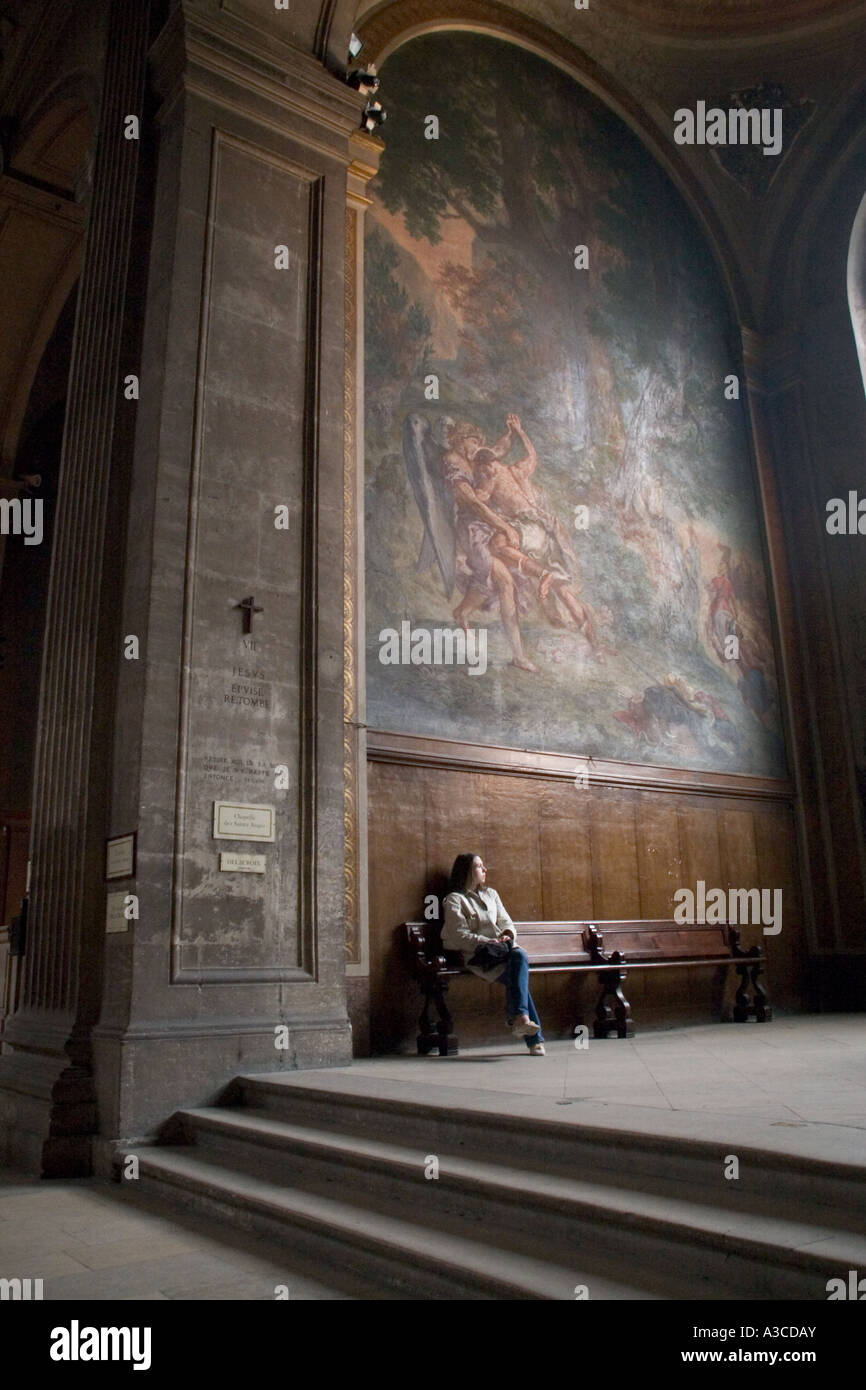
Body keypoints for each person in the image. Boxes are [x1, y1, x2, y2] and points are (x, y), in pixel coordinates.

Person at [441, 852, 546, 1055]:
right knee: (518, 979)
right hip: (480, 956)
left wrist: (507, 935)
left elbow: (506, 921)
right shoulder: (454, 900)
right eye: (479, 866)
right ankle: (531, 1036)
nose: (485, 869)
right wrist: (487, 941)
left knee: (520, 957)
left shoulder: (491, 894)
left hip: (502, 951)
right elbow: (459, 935)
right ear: (467, 871)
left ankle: (521, 1019)